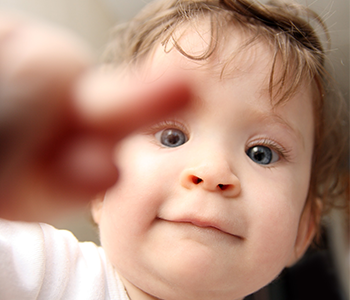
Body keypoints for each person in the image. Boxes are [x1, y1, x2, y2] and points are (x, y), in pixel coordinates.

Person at [0, 0, 348, 299]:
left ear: (303, 230)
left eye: (261, 153)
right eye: (172, 137)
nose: (212, 171)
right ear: (99, 191)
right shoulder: (44, 270)